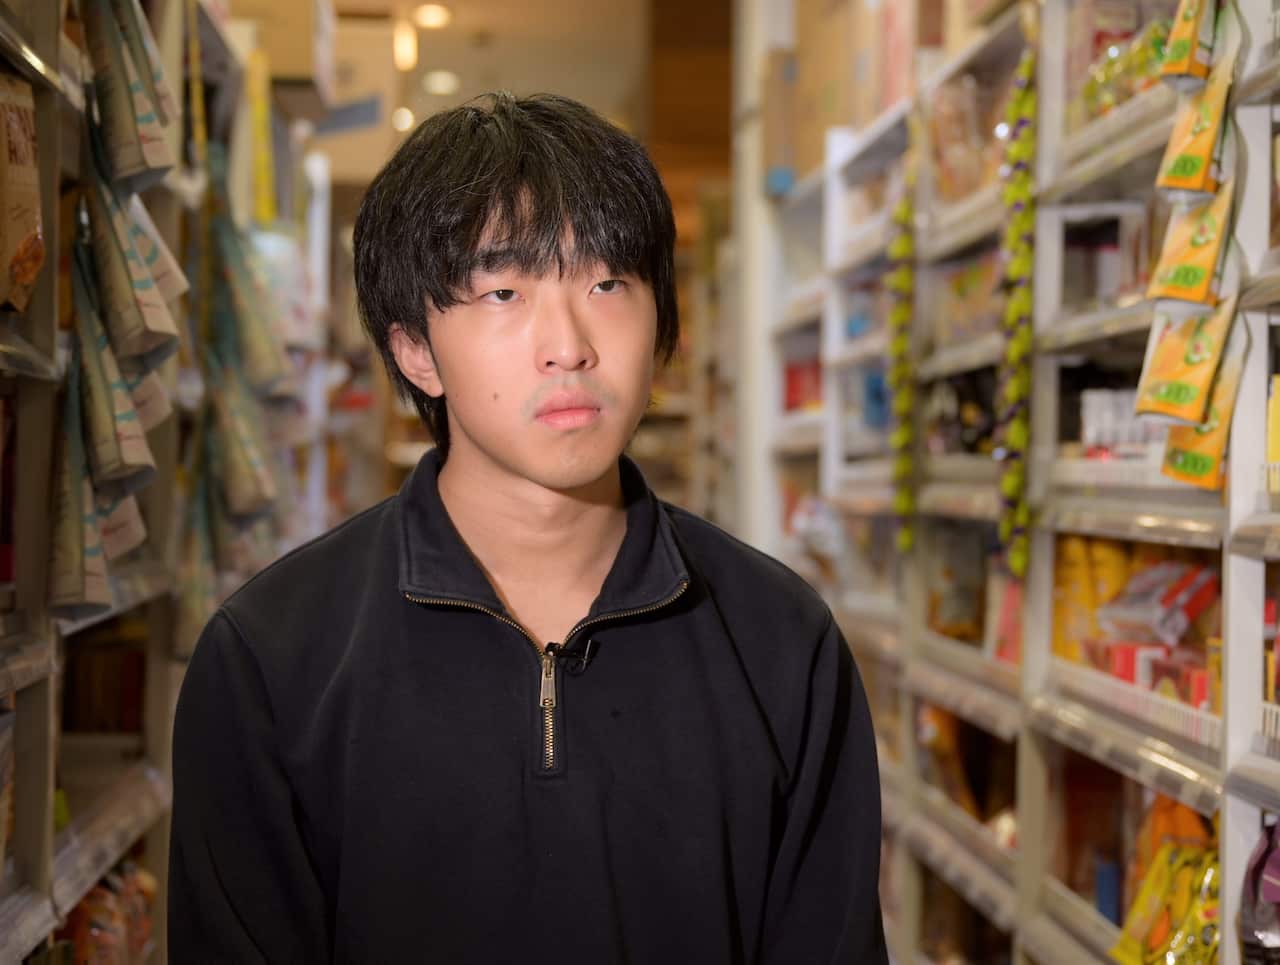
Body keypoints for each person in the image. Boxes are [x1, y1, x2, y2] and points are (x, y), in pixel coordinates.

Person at [169, 91, 886, 964]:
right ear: (414, 351)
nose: (570, 344)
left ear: (663, 322)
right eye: (504, 289)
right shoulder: (271, 660)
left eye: (607, 282)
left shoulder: (784, 642)